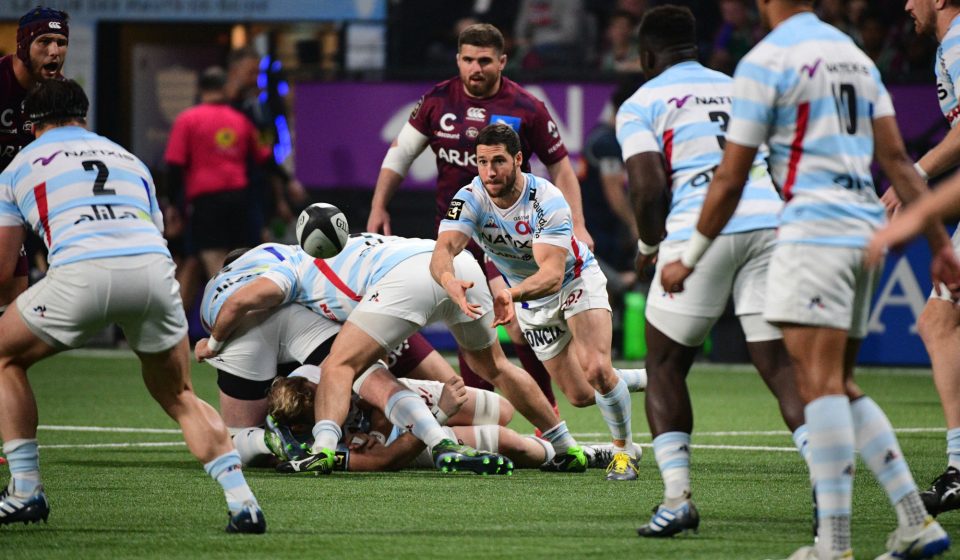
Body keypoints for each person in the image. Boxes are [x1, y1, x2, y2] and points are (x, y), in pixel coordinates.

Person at [658, 1, 953, 558]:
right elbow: (894, 157)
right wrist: (939, 243)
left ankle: (834, 545)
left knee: (817, 385)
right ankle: (915, 522)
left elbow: (731, 174)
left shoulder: (767, 59)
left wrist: (690, 256)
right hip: (864, 230)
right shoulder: (854, 56)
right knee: (836, 383)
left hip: (814, 231)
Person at [0, 79, 265, 533]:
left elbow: (4, 267)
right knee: (180, 395)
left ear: (31, 124)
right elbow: (153, 232)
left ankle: (24, 489)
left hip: (81, 274)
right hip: (152, 275)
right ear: (83, 117)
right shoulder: (129, 160)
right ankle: (243, 504)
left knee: (4, 358)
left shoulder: (18, 166)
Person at [616, 5, 807, 537]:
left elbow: (648, 185)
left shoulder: (642, 101)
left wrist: (649, 246)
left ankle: (677, 500)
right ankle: (827, 491)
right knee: (781, 365)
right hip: (770, 223)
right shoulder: (738, 86)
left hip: (700, 231)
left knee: (666, 364)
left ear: (647, 55)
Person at [194, 233, 579, 474]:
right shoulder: (296, 254)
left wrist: (211, 344)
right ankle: (564, 445)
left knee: (338, 368)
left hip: (395, 289)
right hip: (452, 265)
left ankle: (312, 448)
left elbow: (244, 301)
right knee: (495, 377)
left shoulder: (286, 267)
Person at [366, 23, 592, 412]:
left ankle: (547, 406)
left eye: (485, 61)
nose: (476, 68)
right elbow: (400, 155)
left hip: (509, 233)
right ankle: (482, 410)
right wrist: (378, 206)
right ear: (458, 60)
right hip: (457, 231)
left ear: (502, 61)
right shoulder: (437, 101)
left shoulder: (527, 108)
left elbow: (562, 167)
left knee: (516, 325)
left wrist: (579, 223)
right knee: (470, 320)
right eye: (468, 59)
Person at [432, 123, 646, 481]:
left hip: (573, 280)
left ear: (518, 160)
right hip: (530, 302)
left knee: (595, 368)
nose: (489, 171)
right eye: (482, 162)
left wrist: (510, 295)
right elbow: (444, 248)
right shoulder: (469, 198)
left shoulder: (546, 199)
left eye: (498, 161)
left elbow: (550, 273)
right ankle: (638, 379)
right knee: (579, 394)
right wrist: (448, 279)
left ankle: (624, 452)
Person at [197, 244, 482, 466]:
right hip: (300, 315)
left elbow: (238, 304)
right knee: (371, 378)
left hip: (238, 330)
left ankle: (268, 441)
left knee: (238, 435)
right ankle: (438, 441)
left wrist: (211, 345)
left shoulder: (221, 286)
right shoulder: (288, 256)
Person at [883, 0, 960, 519]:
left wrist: (915, 177)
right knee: (940, 320)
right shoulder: (946, 49)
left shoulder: (957, 44)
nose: (907, 4)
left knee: (938, 322)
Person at [164, 65, 269, 311]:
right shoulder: (242, 121)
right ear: (224, 88)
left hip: (206, 202)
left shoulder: (187, 119)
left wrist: (173, 205)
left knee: (217, 266)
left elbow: (174, 165)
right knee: (196, 260)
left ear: (200, 89)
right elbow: (264, 158)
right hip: (239, 200)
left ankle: (232, 321)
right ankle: (173, 327)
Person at [0, 7, 70, 318]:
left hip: (14, 210)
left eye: (60, 42)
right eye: (44, 41)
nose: (54, 52)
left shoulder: (59, 95)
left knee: (13, 304)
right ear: (23, 45)